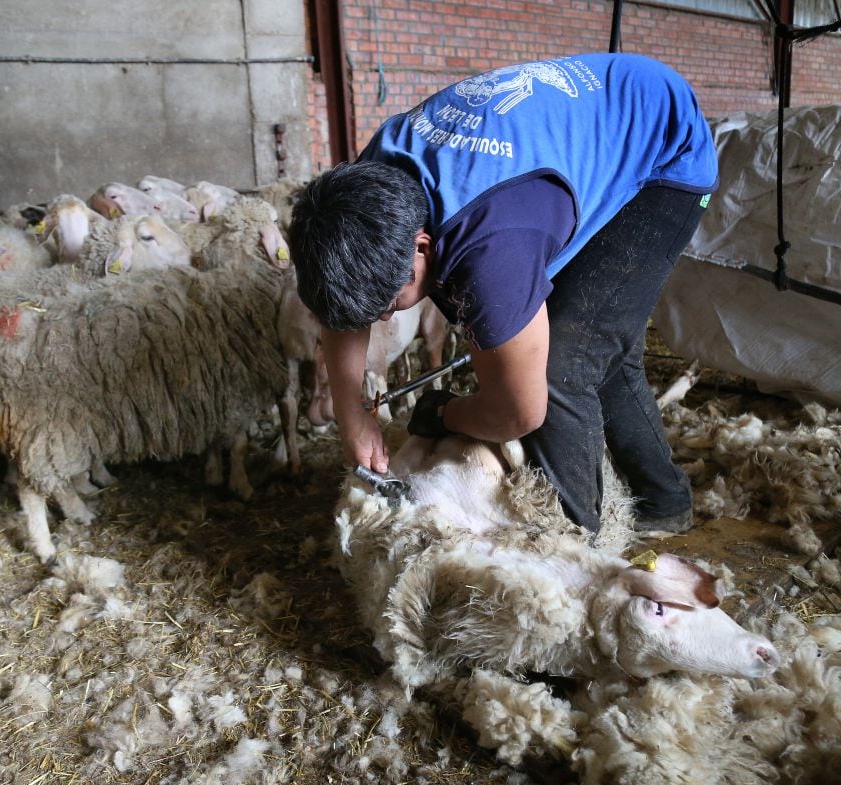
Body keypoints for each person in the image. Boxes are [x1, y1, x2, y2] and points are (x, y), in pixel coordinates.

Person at [288, 53, 718, 534]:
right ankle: (664, 499)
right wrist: (352, 412)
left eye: (387, 305)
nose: (384, 318)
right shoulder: (359, 194)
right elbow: (344, 307)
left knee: (566, 365)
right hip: (581, 136)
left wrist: (446, 413)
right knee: (598, 341)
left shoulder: (491, 253)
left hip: (663, 150)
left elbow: (520, 412)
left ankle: (577, 550)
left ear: (422, 246)